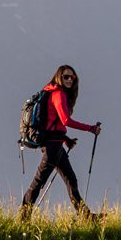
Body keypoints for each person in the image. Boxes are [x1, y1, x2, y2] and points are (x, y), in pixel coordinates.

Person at [21, 64, 101, 221]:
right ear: (59, 77)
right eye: (66, 77)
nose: (70, 79)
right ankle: (23, 219)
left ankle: (87, 217)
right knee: (38, 182)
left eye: (72, 77)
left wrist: (66, 140)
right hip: (52, 147)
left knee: (71, 179)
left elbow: (54, 123)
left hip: (55, 144)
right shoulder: (59, 94)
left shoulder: (53, 92)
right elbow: (65, 120)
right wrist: (90, 128)